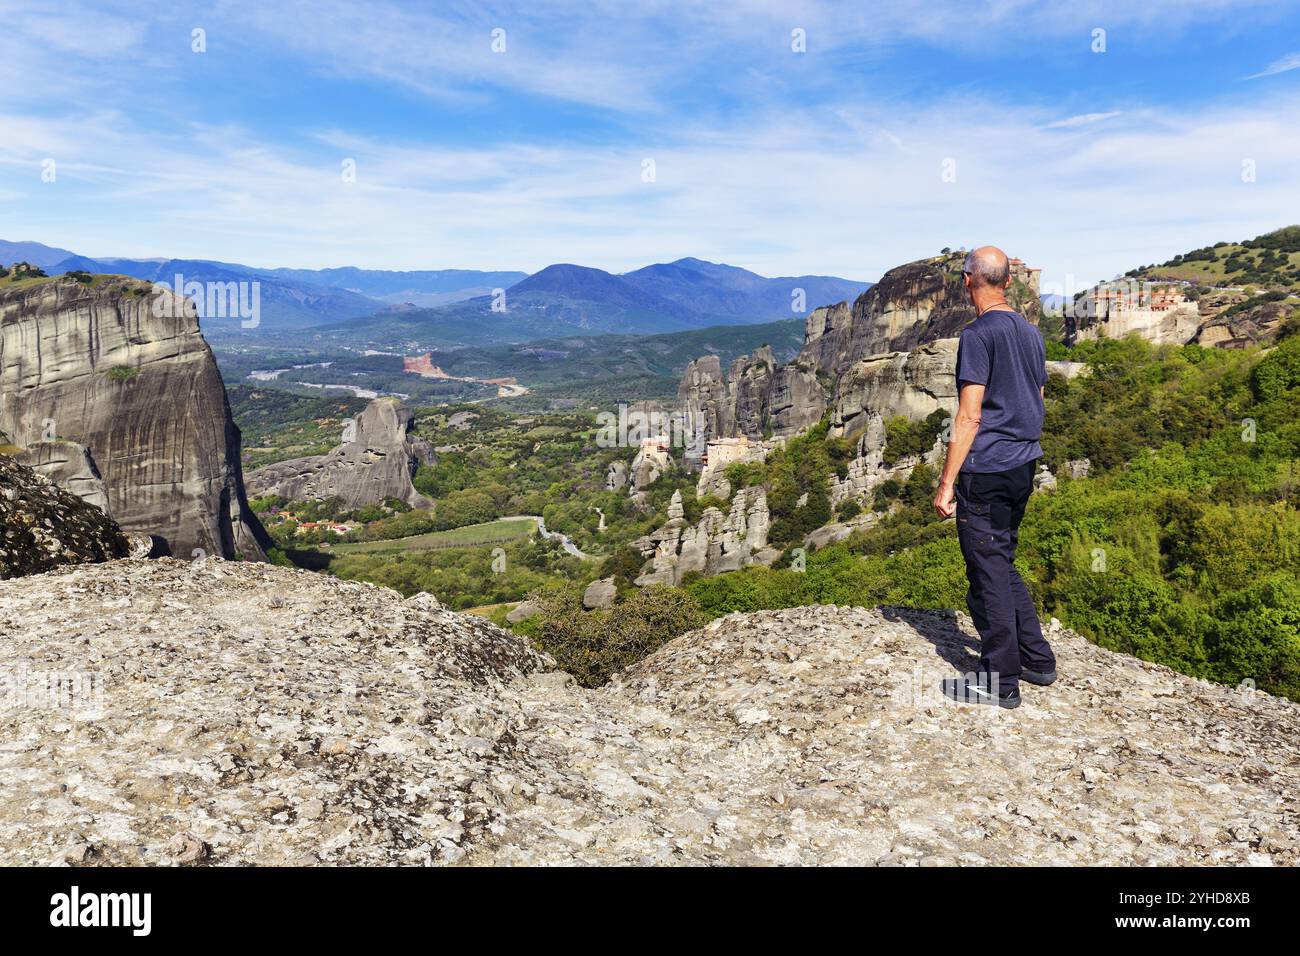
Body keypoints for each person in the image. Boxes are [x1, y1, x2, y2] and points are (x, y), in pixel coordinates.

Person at [932, 246, 1057, 709]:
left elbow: (968, 418)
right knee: (1000, 559)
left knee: (986, 571)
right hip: (1023, 464)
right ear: (1007, 281)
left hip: (986, 468)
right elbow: (1038, 394)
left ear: (969, 280)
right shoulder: (1030, 332)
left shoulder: (978, 335)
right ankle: (1037, 660)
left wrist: (947, 483)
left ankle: (999, 682)